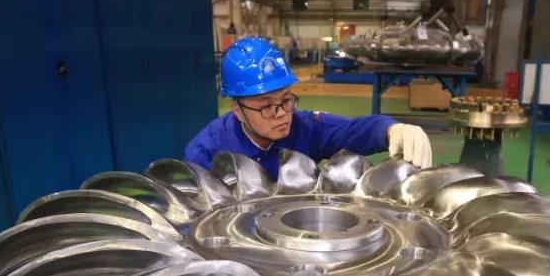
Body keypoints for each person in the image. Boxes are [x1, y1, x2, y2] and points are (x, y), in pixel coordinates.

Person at [184, 37, 432, 179]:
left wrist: (391, 129)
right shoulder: (206, 151)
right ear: (238, 110)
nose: (283, 114)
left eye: (286, 99)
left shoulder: (303, 127)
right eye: (267, 106)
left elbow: (350, 130)